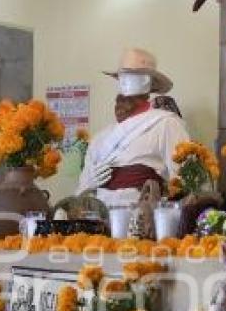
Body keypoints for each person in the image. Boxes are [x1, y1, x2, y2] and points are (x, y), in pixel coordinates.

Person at [78, 47, 190, 207]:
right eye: (121, 76)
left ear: (147, 81)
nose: (123, 81)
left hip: (141, 220)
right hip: (98, 219)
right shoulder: (101, 138)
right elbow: (79, 192)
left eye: (130, 75)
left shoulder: (167, 124)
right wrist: (88, 184)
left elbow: (182, 181)